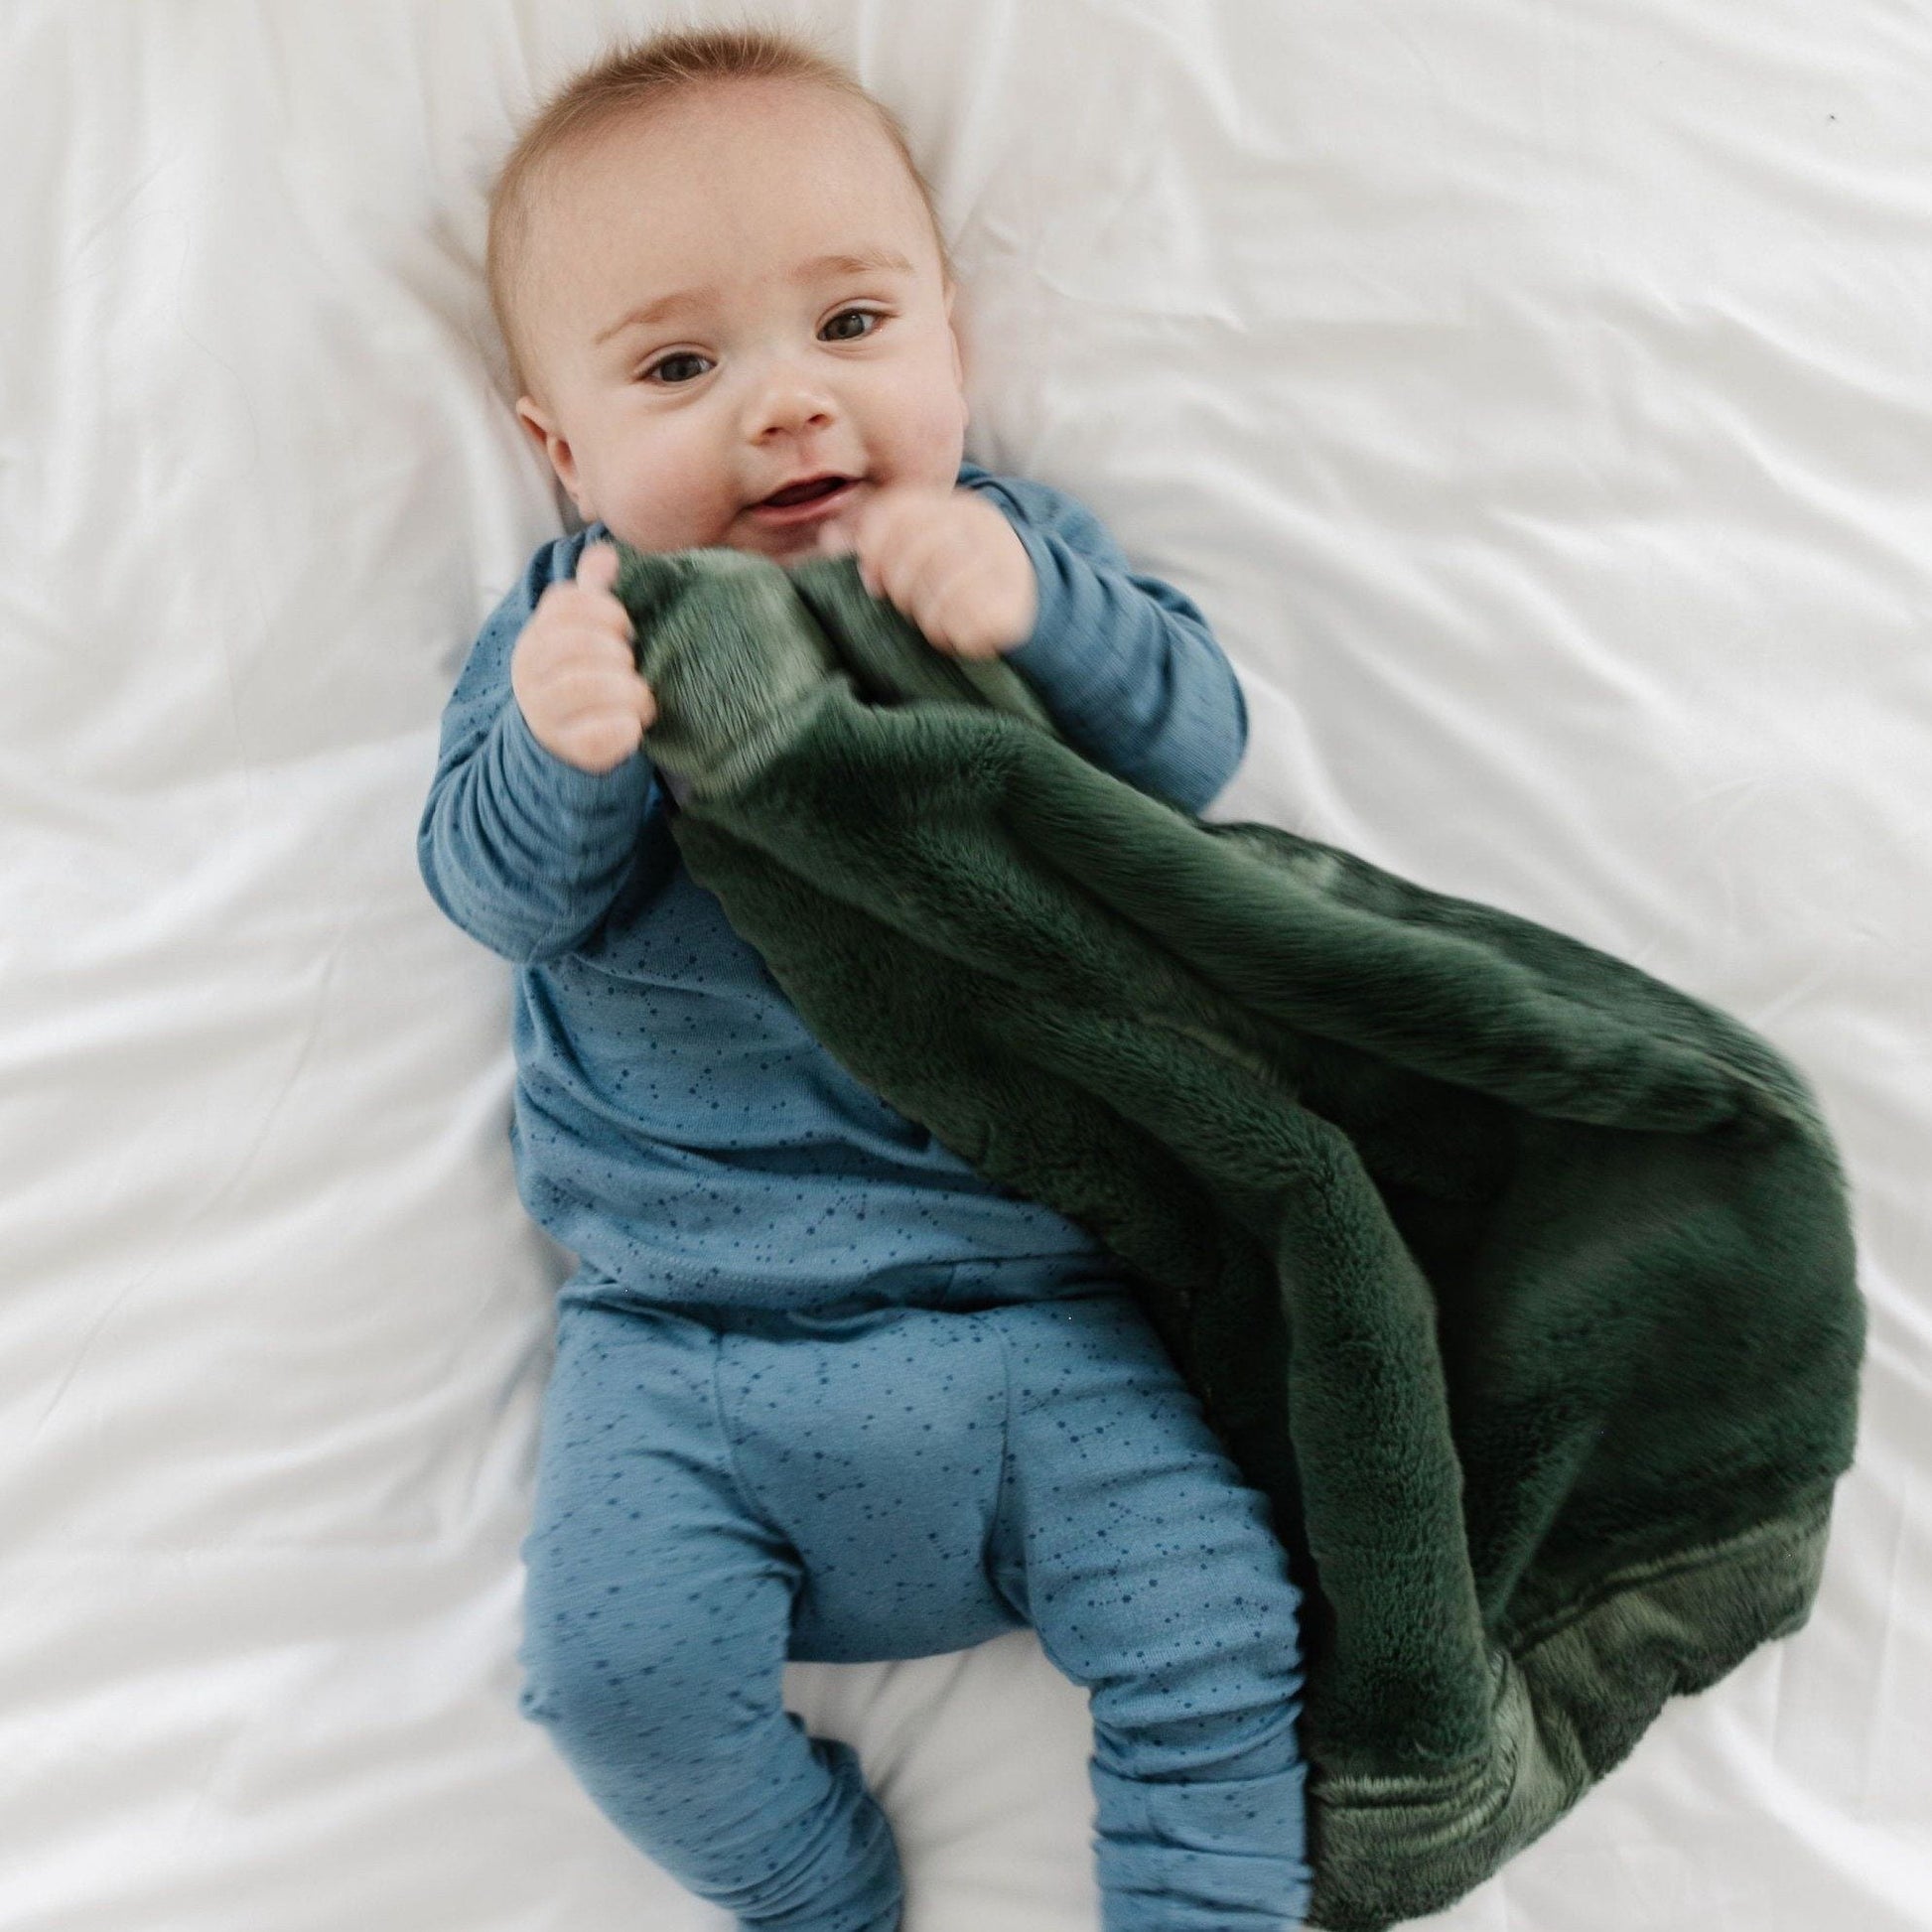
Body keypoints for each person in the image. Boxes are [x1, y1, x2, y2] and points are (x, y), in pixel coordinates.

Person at [418, 23, 1311, 1932]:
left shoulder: (996, 555)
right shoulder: (576, 630)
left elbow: (1196, 744)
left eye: (850, 325)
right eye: (679, 365)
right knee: (613, 1681)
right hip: (685, 1342)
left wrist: (1032, 615)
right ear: (562, 451)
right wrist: (563, 745)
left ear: (953, 346)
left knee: (1222, 1630)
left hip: (1042, 1312)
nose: (786, 407)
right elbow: (494, 897)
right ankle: (818, 1893)